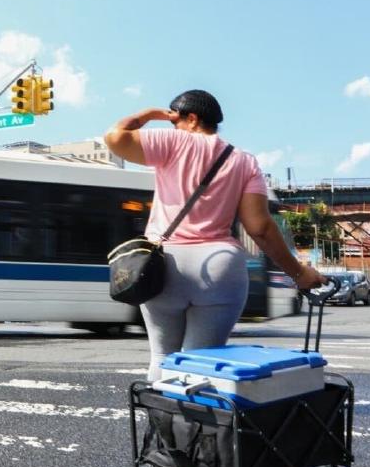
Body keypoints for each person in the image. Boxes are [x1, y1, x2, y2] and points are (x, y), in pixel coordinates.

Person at [104, 89, 325, 382]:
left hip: (165, 263)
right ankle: (201, 426)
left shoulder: (172, 141)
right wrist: (299, 274)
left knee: (162, 356)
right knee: (202, 362)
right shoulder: (245, 161)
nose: (172, 125)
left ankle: (164, 426)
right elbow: (259, 227)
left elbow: (115, 137)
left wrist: (150, 115)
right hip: (219, 264)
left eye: (175, 120)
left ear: (192, 119)